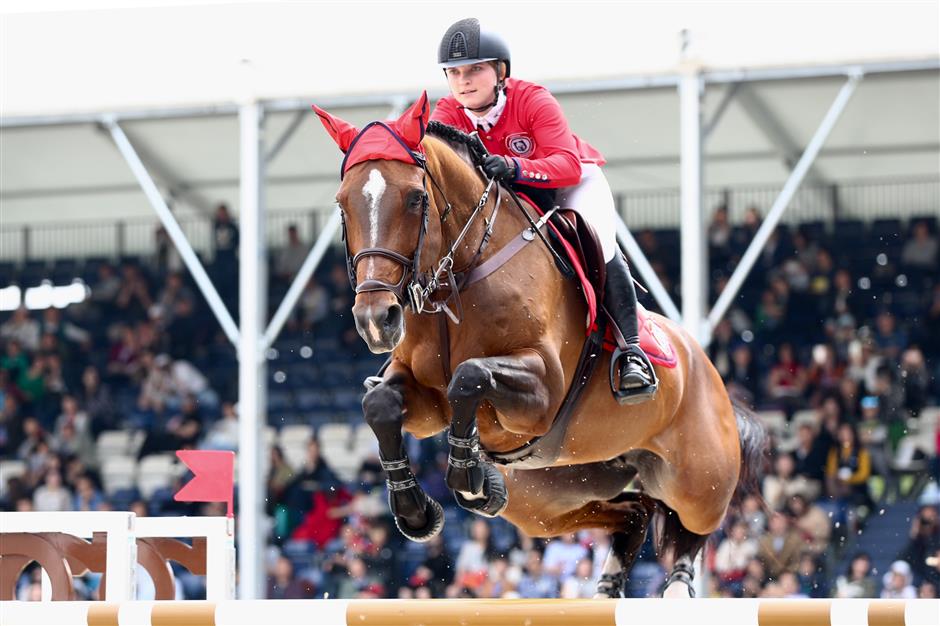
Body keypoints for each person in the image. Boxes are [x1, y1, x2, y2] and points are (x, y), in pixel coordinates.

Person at [430, 18, 656, 405]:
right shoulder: (448, 113)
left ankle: (630, 351)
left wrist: (517, 167)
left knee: (600, 244)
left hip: (570, 185)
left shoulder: (532, 99)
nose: (463, 81)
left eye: (475, 70)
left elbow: (566, 164)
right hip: (514, 197)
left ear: (500, 71)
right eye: (454, 73)